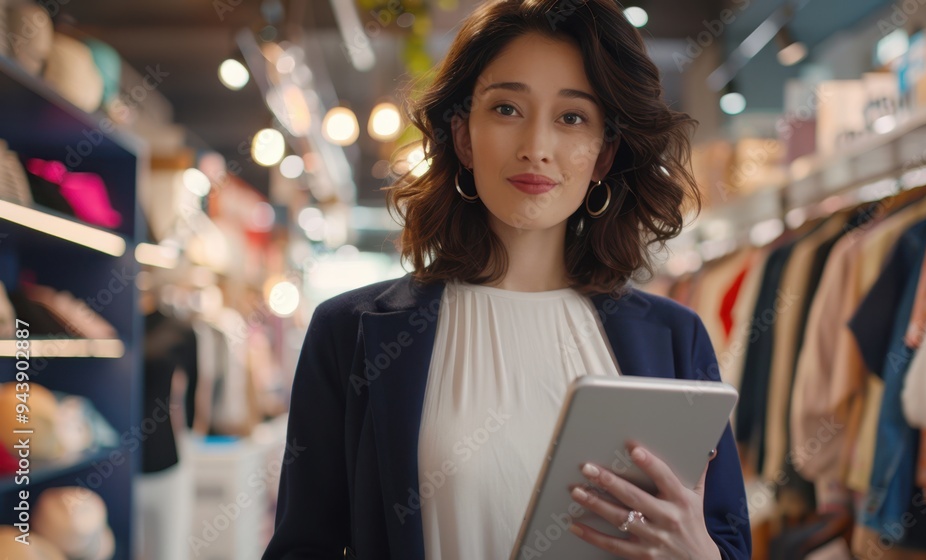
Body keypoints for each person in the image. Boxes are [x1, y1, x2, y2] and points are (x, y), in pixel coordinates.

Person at [262, 0, 751, 558]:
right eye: (506, 109)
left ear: (604, 155)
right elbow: (303, 547)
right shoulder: (348, 333)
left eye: (572, 118)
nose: (535, 148)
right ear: (464, 136)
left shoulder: (673, 339)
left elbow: (729, 539)